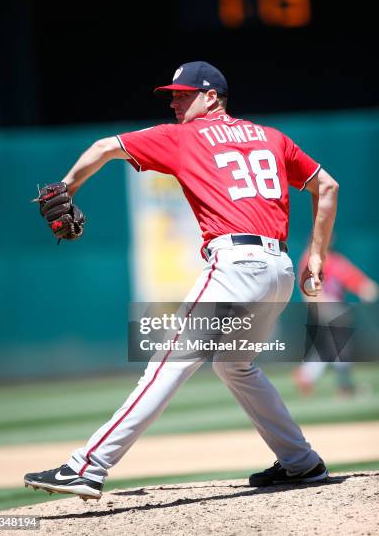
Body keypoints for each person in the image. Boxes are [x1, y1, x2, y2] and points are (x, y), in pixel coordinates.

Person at [24, 61, 338, 500]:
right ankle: (302, 464)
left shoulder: (184, 137)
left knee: (166, 365)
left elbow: (103, 147)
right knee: (236, 366)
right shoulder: (273, 137)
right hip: (277, 270)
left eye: (183, 93)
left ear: (212, 97)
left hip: (234, 267)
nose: (174, 101)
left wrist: (68, 187)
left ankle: (87, 466)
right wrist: (318, 256)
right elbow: (327, 185)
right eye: (172, 94)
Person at [292, 244, 378, 396]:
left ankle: (306, 376)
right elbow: (308, 288)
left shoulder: (334, 260)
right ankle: (343, 386)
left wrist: (364, 286)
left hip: (335, 308)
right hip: (325, 308)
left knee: (328, 349)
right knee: (339, 347)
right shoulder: (310, 259)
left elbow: (353, 278)